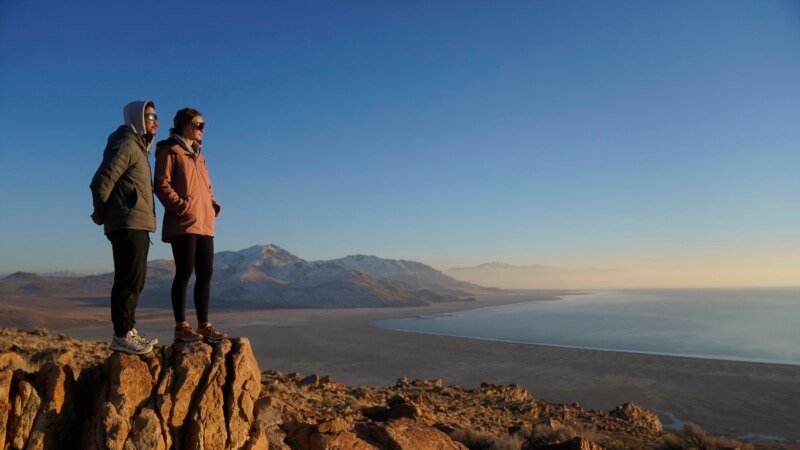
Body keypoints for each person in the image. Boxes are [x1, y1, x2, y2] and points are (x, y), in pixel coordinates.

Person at [90, 100, 160, 354]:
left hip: (137, 222)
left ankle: (128, 330)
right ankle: (121, 334)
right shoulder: (127, 143)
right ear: (137, 118)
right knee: (128, 279)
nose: (155, 121)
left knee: (135, 280)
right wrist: (102, 213)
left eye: (155, 116)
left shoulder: (139, 148)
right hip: (127, 222)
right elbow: (100, 182)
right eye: (150, 116)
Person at [154, 108, 227, 343]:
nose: (202, 130)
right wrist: (180, 206)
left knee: (205, 272)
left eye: (203, 125)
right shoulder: (170, 151)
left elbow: (206, 187)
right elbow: (161, 185)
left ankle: (203, 325)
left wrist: (212, 205)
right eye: (198, 125)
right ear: (185, 125)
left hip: (204, 221)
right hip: (183, 222)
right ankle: (180, 326)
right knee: (185, 272)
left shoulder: (199, 155)